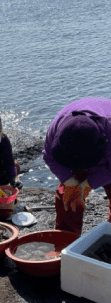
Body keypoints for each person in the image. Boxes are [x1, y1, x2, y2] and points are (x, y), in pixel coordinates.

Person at [43, 97, 111, 235]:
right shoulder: (57, 129)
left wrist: (89, 183)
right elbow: (48, 156)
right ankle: (67, 236)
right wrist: (69, 179)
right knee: (68, 194)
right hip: (78, 148)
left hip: (104, 144)